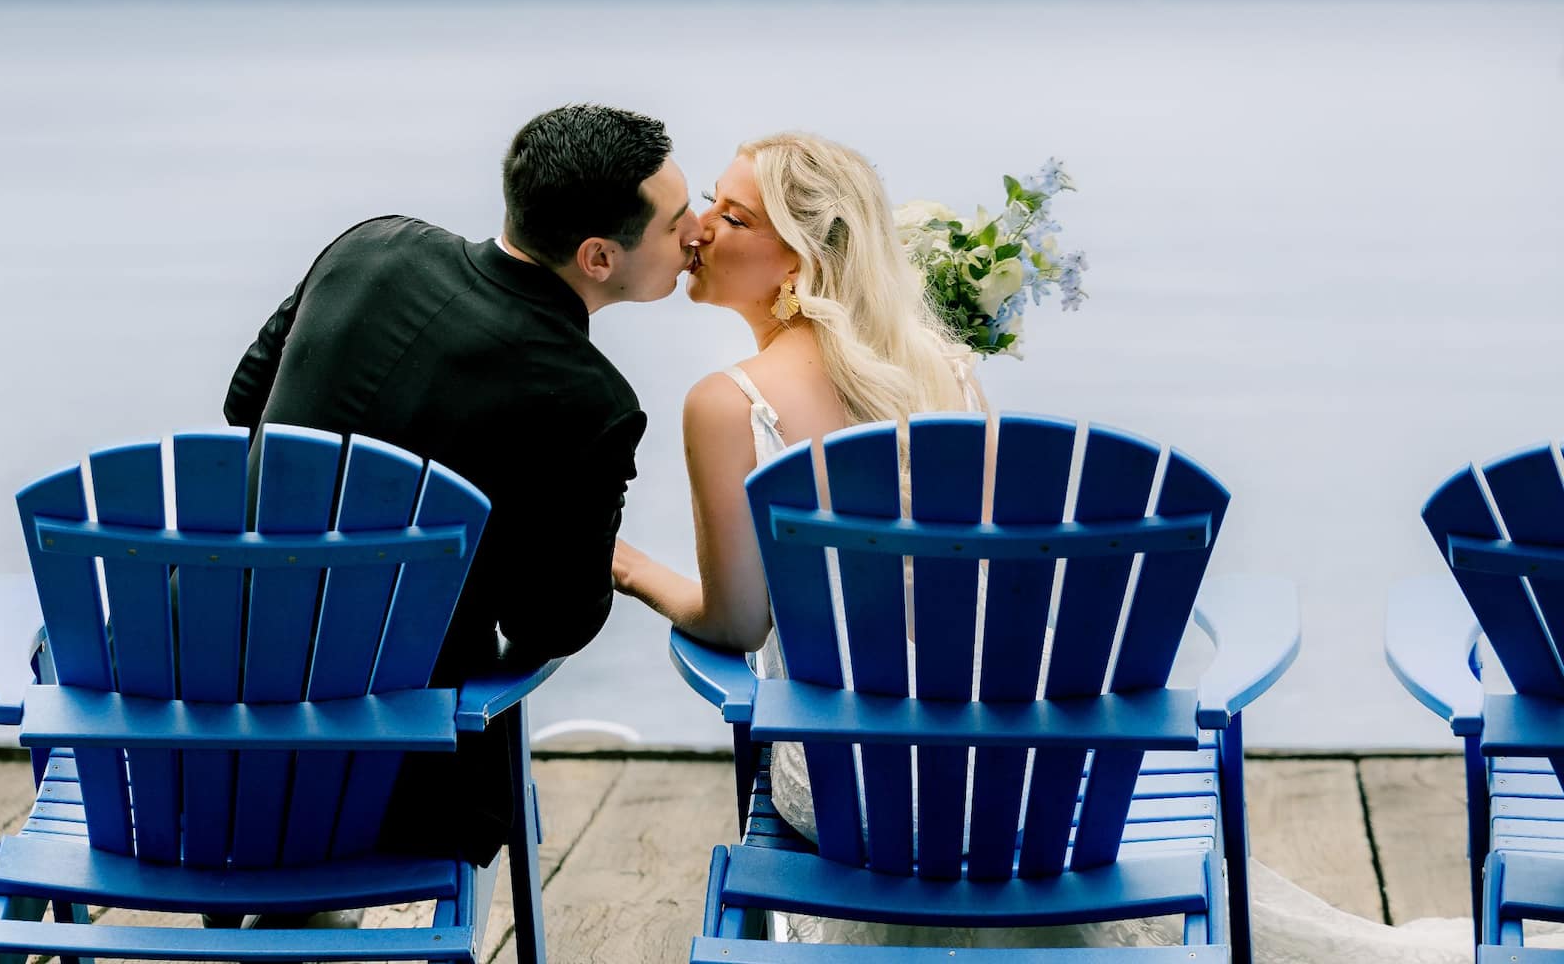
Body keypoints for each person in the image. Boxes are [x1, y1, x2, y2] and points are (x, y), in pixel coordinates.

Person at [609, 131, 1490, 959]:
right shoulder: (946, 372)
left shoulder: (727, 406)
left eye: (732, 215)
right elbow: (996, 589)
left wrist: (629, 568)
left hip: (851, 790)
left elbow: (731, 625)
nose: (697, 232)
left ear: (798, 259)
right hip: (1021, 771)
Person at [223, 104, 701, 868]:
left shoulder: (371, 245)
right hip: (390, 774)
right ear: (598, 258)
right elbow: (552, 625)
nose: (699, 231)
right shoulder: (587, 401)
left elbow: (247, 404)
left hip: (193, 718)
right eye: (678, 221)